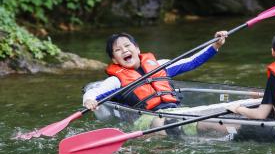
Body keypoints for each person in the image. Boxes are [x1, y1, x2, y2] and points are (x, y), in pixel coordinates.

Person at [83, 31, 231, 136]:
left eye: (127, 46)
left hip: (176, 111)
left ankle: (235, 130)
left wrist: (215, 45)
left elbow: (192, 61)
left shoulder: (160, 65)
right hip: (146, 118)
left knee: (214, 120)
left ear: (137, 49)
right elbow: (94, 92)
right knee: (164, 123)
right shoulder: (116, 81)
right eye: (118, 50)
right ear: (115, 60)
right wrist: (89, 100)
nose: (124, 50)